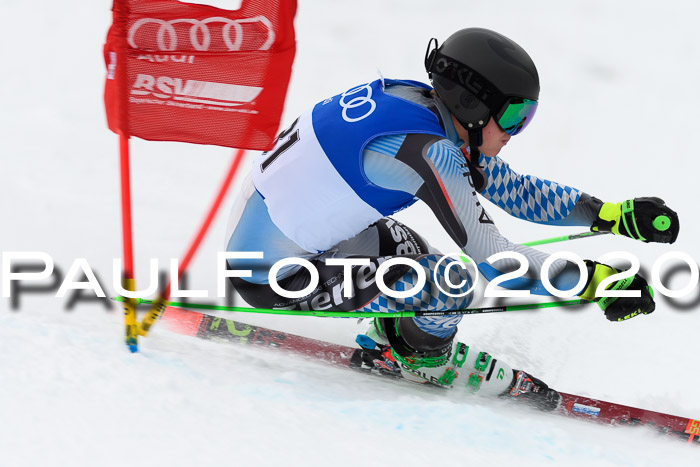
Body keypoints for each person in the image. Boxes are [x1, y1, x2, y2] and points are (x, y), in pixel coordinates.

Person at [224, 28, 679, 411]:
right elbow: (496, 260)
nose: (516, 131)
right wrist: (596, 281)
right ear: (472, 104)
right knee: (449, 283)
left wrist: (609, 216)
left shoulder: (416, 103)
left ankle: (394, 336)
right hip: (275, 278)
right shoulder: (428, 150)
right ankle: (421, 361)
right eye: (514, 116)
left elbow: (513, 189)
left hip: (293, 243)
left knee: (421, 261)